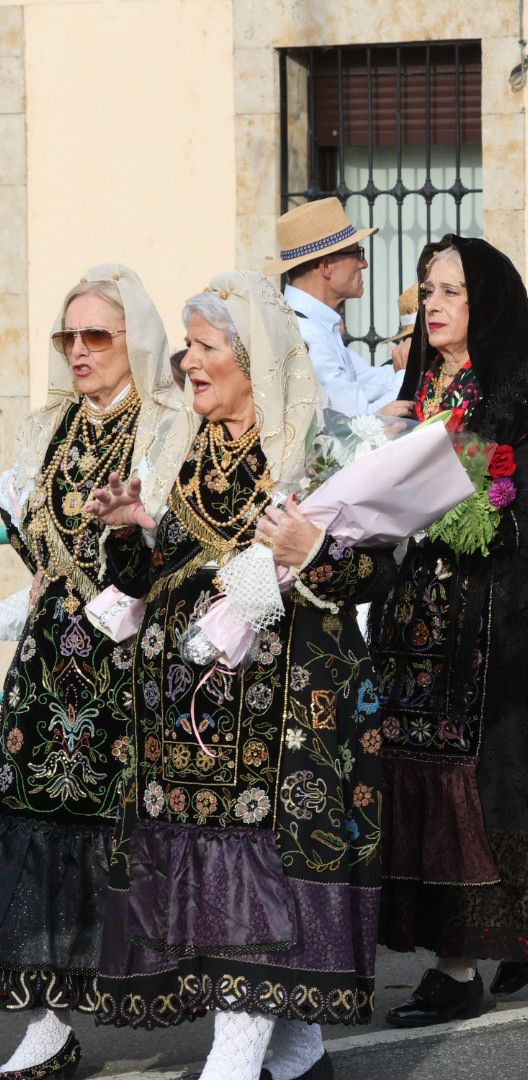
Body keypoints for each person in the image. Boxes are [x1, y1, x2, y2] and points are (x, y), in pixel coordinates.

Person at [87, 270, 388, 1080]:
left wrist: (311, 554)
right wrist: (126, 534)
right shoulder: (175, 449)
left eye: (206, 345)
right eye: (186, 344)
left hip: (284, 716)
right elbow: (148, 575)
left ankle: (237, 1057)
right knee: (212, 885)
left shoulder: (323, 447)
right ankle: (298, 1051)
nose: (187, 360)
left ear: (252, 360)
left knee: (257, 884)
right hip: (183, 728)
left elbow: (368, 578)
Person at [371, 237, 528, 1026]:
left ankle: (466, 960)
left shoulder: (521, 404)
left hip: (489, 627)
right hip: (413, 627)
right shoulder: (411, 398)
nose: (433, 304)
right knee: (415, 785)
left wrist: (456, 492)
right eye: (427, 289)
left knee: (476, 786)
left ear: (487, 304)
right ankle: (454, 954)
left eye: (452, 291)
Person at [0, 266, 191, 1079]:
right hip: (49, 668)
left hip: (130, 665)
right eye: (67, 337)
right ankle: (48, 1023)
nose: (79, 351)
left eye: (97, 336)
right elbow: (27, 535)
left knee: (138, 842)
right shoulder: (44, 430)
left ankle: (229, 1008)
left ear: (134, 341)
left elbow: (177, 544)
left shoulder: (169, 428)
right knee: (33, 834)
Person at [267, 197, 411, 419]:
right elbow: (359, 424)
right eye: (357, 254)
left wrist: (414, 362)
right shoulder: (306, 335)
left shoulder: (312, 324)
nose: (364, 264)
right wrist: (403, 374)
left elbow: (366, 381)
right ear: (326, 267)